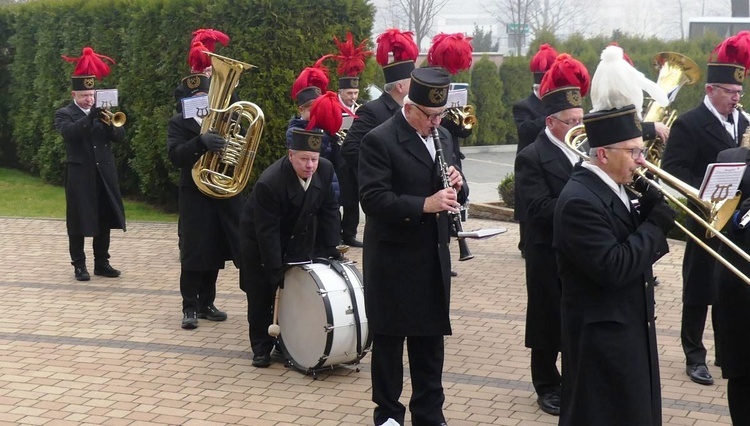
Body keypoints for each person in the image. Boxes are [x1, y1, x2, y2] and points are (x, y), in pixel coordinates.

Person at [359, 67, 467, 426]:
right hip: (392, 257)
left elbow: (452, 188)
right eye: (431, 116)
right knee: (389, 343)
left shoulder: (444, 137)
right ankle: (388, 414)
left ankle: (429, 412)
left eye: (441, 115)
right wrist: (425, 204)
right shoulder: (381, 139)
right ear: (410, 107)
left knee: (429, 343)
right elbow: (373, 200)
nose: (437, 123)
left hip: (431, 257)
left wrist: (458, 182)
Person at [553, 104, 674, 425]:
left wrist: (646, 214)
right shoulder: (580, 200)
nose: (641, 160)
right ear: (603, 155)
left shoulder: (614, 187)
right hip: (602, 344)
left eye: (642, 150)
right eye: (633, 152)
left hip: (626, 332)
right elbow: (613, 266)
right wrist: (655, 225)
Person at [661, 32, 750, 385]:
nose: (736, 99)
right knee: (698, 287)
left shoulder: (744, 123)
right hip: (705, 215)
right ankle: (693, 354)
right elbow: (673, 169)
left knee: (729, 286)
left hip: (739, 221)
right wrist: (707, 187)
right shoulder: (688, 123)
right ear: (711, 90)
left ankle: (726, 350)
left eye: (740, 94)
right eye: (730, 93)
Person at [513, 53, 590, 416]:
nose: (578, 126)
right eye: (571, 121)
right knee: (546, 317)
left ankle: (575, 378)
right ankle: (545, 383)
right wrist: (579, 203)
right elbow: (537, 208)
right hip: (546, 249)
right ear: (551, 121)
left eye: (580, 119)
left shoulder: (587, 151)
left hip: (579, 249)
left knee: (576, 315)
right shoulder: (533, 155)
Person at [239, 128, 342, 368]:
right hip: (259, 239)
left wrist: (331, 247)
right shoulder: (270, 182)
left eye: (314, 159)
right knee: (262, 293)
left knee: (293, 291)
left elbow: (329, 210)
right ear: (291, 155)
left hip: (301, 234)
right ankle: (261, 347)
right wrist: (275, 269)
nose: (310, 166)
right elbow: (267, 232)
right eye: (304, 159)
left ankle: (286, 344)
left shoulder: (325, 169)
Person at [166, 73, 241, 330]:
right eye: (195, 97)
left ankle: (208, 303)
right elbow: (175, 155)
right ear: (187, 100)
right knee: (194, 250)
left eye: (205, 96)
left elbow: (238, 152)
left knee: (215, 248)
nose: (201, 100)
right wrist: (200, 142)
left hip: (219, 192)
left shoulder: (223, 121)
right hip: (193, 194)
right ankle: (189, 306)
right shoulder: (178, 123)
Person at [54, 46, 126, 281]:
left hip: (104, 172)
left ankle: (101, 262)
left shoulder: (104, 112)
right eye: (84, 96)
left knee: (104, 217)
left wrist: (107, 122)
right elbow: (69, 134)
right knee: (78, 219)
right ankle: (79, 264)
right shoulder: (64, 113)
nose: (89, 99)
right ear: (74, 95)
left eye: (92, 95)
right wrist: (89, 117)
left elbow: (119, 136)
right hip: (80, 174)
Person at [340, 27, 417, 176]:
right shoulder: (371, 111)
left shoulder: (410, 109)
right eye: (411, 82)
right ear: (399, 87)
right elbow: (350, 148)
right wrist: (379, 168)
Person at [714, 143, 750, 424]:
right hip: (738, 283)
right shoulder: (731, 160)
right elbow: (712, 216)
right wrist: (741, 214)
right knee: (742, 371)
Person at [512, 44, 557, 257]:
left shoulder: (555, 105)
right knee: (528, 205)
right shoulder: (524, 106)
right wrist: (551, 118)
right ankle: (525, 244)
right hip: (529, 158)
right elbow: (525, 130)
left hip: (551, 158)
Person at [330, 32, 372, 248]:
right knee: (338, 198)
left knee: (354, 198)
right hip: (337, 158)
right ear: (340, 92)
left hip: (355, 158)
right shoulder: (333, 106)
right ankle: (335, 234)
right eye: (349, 93)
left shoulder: (363, 107)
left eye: (355, 93)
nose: (353, 97)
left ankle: (350, 233)